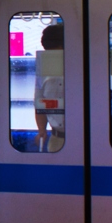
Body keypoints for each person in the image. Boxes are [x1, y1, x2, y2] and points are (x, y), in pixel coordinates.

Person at [34, 23, 65, 152]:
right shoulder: (44, 71)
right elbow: (39, 102)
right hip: (57, 140)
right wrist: (42, 129)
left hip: (86, 139)